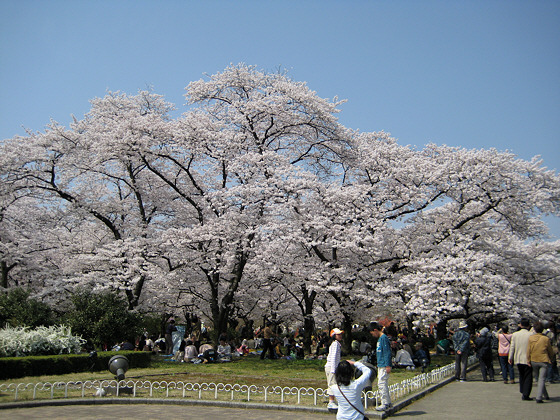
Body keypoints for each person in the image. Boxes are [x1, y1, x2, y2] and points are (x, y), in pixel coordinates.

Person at [527, 321, 554, 403]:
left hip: (534, 360)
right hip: (543, 360)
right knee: (541, 379)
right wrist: (551, 358)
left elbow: (528, 350)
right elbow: (550, 350)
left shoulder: (531, 338)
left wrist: (528, 360)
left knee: (538, 378)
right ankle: (539, 397)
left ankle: (545, 395)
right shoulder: (546, 339)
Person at [509, 318, 534, 400]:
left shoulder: (515, 334)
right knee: (528, 376)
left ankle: (522, 390)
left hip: (518, 358)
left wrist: (510, 357)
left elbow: (512, 347)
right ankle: (526, 394)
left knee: (521, 374)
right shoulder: (531, 334)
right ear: (528, 325)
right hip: (527, 358)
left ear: (521, 325)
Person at [369, 322, 392, 411]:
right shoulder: (380, 339)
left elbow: (387, 352)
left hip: (384, 364)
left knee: (381, 383)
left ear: (375, 330)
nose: (373, 335)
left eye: (372, 333)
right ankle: (387, 402)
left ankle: (385, 403)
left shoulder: (383, 338)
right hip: (380, 364)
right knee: (382, 383)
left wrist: (387, 365)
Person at [325, 328, 344, 411]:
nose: (340, 336)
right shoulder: (335, 344)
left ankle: (333, 401)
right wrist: (333, 370)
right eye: (338, 334)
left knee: (334, 383)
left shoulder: (335, 344)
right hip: (331, 367)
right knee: (332, 384)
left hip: (332, 367)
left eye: (340, 334)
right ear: (334, 336)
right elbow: (333, 357)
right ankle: (331, 402)